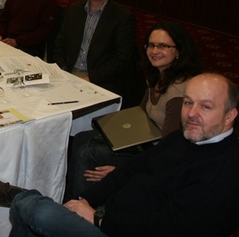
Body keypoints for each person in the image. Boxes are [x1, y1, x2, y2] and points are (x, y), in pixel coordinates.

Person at [0, 73, 239, 237]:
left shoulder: (228, 175)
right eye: (188, 103)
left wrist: (97, 220)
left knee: (37, 211)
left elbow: (166, 229)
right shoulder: (187, 138)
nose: (191, 114)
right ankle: (28, 201)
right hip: (114, 216)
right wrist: (87, 201)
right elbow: (135, 167)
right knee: (34, 216)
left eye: (205, 107)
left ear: (230, 116)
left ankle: (19, 196)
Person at [64, 21, 203, 200]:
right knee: (82, 137)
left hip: (155, 154)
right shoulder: (158, 76)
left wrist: (124, 170)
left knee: (87, 152)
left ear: (179, 51)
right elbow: (140, 112)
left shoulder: (178, 93)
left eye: (163, 46)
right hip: (144, 139)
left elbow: (168, 149)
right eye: (151, 45)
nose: (154, 51)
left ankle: (85, 207)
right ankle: (70, 198)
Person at [53, 0, 136, 96]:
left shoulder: (123, 17)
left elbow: (121, 60)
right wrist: (63, 70)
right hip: (68, 73)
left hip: (99, 80)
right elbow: (59, 44)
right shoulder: (74, 10)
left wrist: (89, 79)